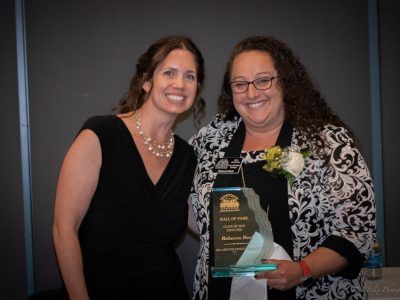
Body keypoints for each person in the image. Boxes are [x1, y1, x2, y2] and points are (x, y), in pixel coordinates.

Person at [188, 36, 375, 300]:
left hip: (311, 291)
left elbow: (357, 231)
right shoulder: (208, 142)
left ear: (285, 83)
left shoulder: (328, 143)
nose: (252, 93)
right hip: (223, 291)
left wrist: (302, 270)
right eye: (240, 84)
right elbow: (194, 213)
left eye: (263, 80)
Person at [52, 35, 205, 299]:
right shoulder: (100, 135)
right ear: (147, 81)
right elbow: (64, 229)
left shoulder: (186, 156)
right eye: (169, 72)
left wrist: (246, 232)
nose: (180, 84)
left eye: (190, 76)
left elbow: (199, 220)